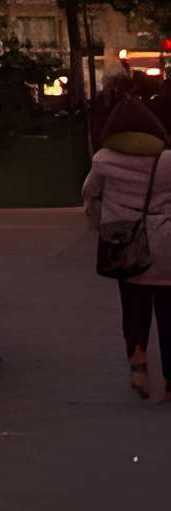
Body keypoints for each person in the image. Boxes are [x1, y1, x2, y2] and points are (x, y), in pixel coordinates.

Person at [83, 94, 171, 400]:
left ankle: (138, 359)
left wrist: (100, 224)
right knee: (168, 310)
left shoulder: (104, 160)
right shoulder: (166, 161)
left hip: (125, 244)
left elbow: (90, 194)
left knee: (134, 307)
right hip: (164, 244)